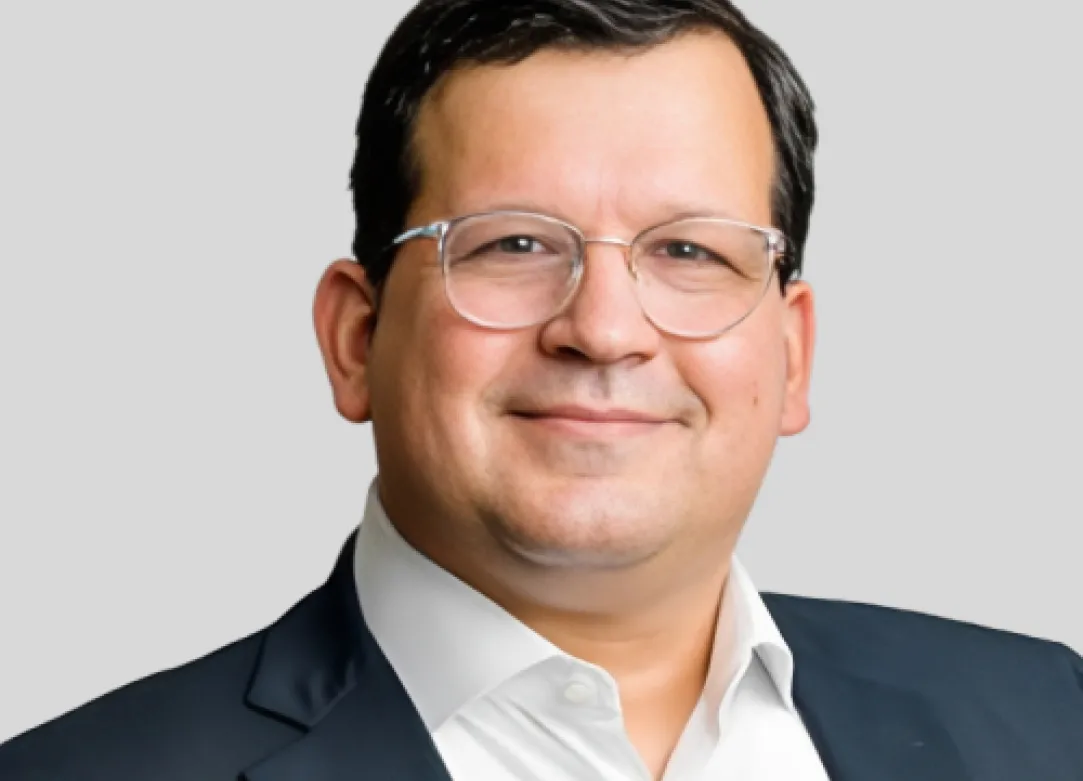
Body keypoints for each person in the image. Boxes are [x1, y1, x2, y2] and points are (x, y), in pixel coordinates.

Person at [1, 0, 1080, 778]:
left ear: (792, 355)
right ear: (356, 337)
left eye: (690, 252)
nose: (602, 329)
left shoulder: (1049, 721)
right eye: (513, 243)